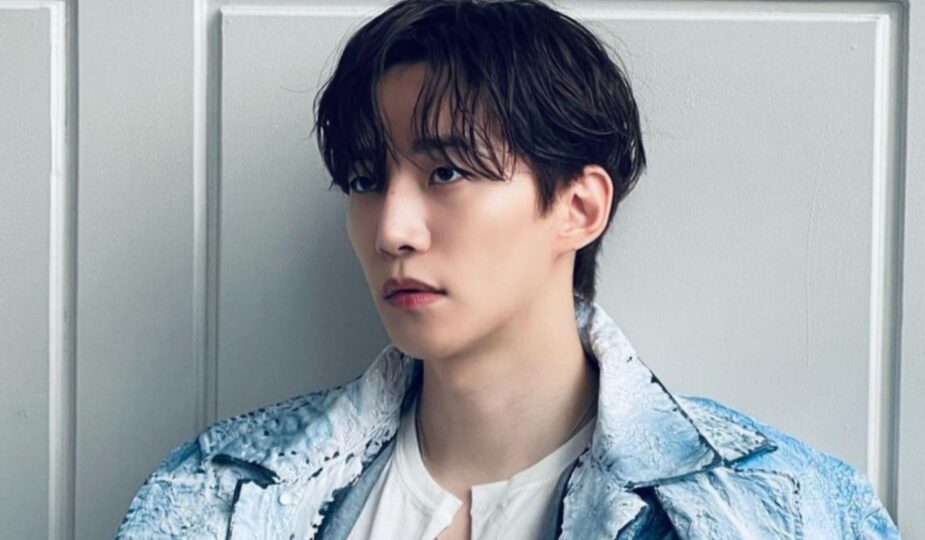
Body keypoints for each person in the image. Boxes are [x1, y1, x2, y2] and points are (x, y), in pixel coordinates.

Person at [115, 0, 900, 538]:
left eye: (447, 172)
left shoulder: (776, 507)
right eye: (364, 179)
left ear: (577, 208)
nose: (390, 229)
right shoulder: (220, 493)